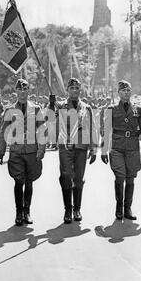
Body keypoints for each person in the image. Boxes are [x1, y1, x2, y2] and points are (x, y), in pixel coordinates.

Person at [47, 77, 98, 224]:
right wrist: (51, 105)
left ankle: (77, 209)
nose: (74, 91)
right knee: (66, 176)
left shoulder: (86, 108)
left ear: (79, 90)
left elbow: (93, 128)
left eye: (77, 88)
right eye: (71, 88)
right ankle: (67, 209)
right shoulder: (61, 106)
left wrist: (94, 149)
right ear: (67, 90)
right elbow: (49, 119)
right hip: (65, 145)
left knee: (79, 178)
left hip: (81, 146)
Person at [0, 79, 46, 226]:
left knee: (29, 181)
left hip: (31, 151)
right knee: (19, 181)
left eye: (25, 90)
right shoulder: (9, 110)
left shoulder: (36, 109)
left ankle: (27, 211)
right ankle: (19, 212)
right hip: (16, 151)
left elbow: (42, 130)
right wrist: (1, 151)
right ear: (16, 91)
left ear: (28, 91)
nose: (23, 92)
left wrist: (41, 149)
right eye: (20, 90)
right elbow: (3, 132)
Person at [101, 80, 141, 221]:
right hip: (117, 147)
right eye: (123, 91)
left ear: (131, 92)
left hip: (133, 148)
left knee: (130, 178)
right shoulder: (111, 109)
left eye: (128, 90)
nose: (126, 93)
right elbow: (107, 130)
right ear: (118, 93)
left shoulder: (138, 110)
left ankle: (128, 208)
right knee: (120, 176)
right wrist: (104, 150)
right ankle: (119, 207)